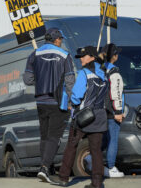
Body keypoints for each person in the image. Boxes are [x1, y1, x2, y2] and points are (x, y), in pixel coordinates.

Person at [23, 27, 75, 183]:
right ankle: (45, 168)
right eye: (61, 40)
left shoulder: (34, 54)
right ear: (56, 39)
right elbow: (70, 81)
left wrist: (41, 79)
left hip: (40, 101)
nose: (62, 42)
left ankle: (45, 167)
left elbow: (27, 80)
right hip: (58, 101)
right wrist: (72, 102)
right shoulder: (65, 55)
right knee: (54, 136)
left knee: (44, 136)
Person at [51, 46, 108, 188]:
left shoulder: (84, 73)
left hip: (83, 116)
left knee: (72, 146)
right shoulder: (104, 74)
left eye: (84, 56)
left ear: (92, 57)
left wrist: (72, 102)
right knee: (96, 151)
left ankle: (63, 178)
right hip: (100, 115)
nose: (81, 59)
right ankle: (97, 183)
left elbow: (77, 96)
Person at [102, 43, 125, 178]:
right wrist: (118, 111)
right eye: (117, 54)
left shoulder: (100, 69)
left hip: (101, 110)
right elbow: (115, 93)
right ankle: (111, 167)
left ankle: (91, 158)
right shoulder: (114, 72)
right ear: (114, 56)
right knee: (113, 139)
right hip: (111, 111)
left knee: (104, 138)